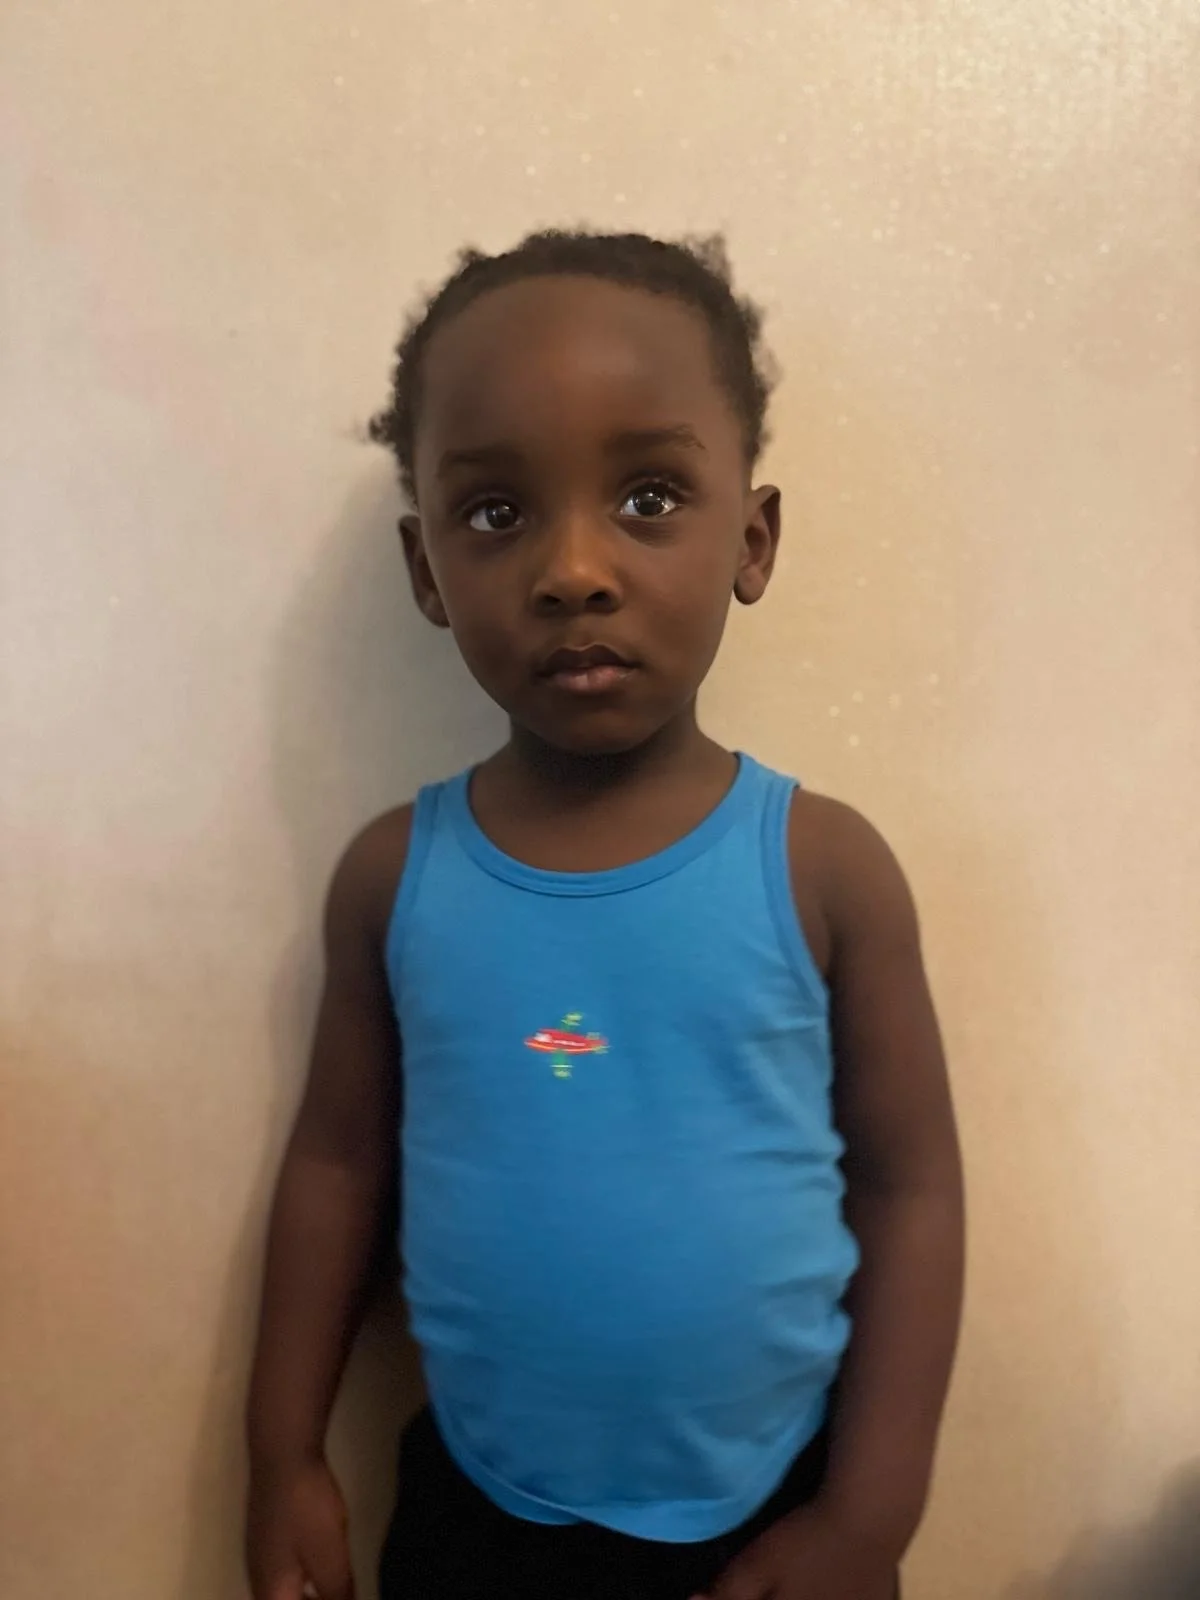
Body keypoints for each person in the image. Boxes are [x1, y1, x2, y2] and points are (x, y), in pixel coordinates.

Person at [244, 230, 964, 1600]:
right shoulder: (395, 879)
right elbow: (337, 1169)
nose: (574, 568)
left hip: (777, 1516)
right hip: (474, 1515)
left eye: (646, 496)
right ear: (425, 570)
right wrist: (278, 1456)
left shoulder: (825, 871)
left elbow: (911, 1190)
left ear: (751, 538)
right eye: (498, 513)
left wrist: (871, 1518)